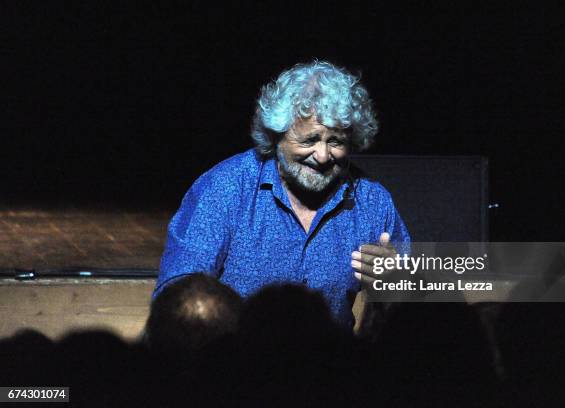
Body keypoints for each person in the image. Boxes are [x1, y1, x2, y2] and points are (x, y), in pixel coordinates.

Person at [154, 60, 410, 329]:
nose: (322, 156)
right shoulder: (225, 188)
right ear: (276, 135)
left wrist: (396, 282)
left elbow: (417, 310)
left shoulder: (372, 202)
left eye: (336, 142)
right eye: (309, 140)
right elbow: (173, 299)